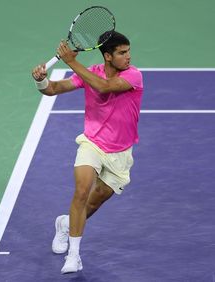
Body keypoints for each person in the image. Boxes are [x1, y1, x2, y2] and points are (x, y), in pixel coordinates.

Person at [32, 31, 143, 274]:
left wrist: (71, 61)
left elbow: (103, 87)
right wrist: (41, 80)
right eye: (122, 53)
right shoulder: (90, 72)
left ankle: (64, 224)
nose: (128, 56)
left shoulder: (133, 75)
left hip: (120, 153)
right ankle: (74, 256)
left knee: (95, 200)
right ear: (107, 55)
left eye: (128, 51)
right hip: (92, 143)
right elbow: (52, 89)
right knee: (81, 191)